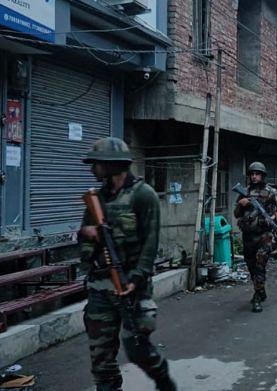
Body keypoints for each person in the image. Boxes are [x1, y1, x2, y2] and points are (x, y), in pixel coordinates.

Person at [79, 137, 176, 391]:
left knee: (137, 349)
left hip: (132, 285)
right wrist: (88, 234)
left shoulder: (144, 195)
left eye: (97, 164)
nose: (93, 170)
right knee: (101, 360)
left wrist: (135, 278)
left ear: (113, 165)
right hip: (100, 286)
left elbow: (150, 243)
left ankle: (163, 380)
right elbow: (84, 236)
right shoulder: (95, 199)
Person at [234, 162, 277, 313]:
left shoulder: (270, 191)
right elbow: (236, 214)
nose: (254, 176)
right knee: (251, 267)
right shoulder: (244, 192)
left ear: (262, 175)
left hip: (264, 235)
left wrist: (272, 217)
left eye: (257, 174)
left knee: (260, 265)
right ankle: (260, 290)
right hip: (248, 236)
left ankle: (257, 297)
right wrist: (242, 204)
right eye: (252, 174)